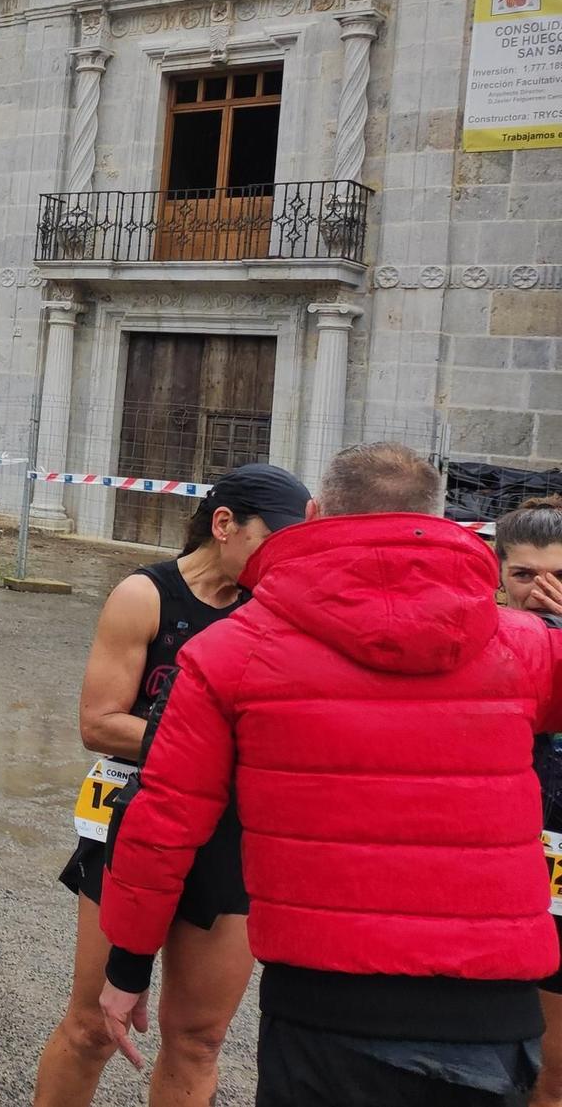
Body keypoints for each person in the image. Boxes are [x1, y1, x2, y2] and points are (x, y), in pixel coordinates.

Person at [99, 443, 562, 1107]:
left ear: (314, 514)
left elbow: (164, 816)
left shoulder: (231, 649)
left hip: (324, 1001)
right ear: (445, 521)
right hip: (491, 1008)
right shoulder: (523, 645)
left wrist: (127, 964)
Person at [32, 463, 311, 1107]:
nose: (286, 559)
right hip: (136, 819)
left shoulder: (280, 609)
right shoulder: (146, 596)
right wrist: (206, 745)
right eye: (275, 540)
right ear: (223, 525)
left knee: (198, 1041)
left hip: (234, 837)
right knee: (91, 1029)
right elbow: (99, 723)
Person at [497, 497, 562, 1107]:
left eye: (559, 578)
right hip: (499, 870)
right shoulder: (484, 646)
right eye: (524, 575)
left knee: (552, 1071)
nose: (541, 591)